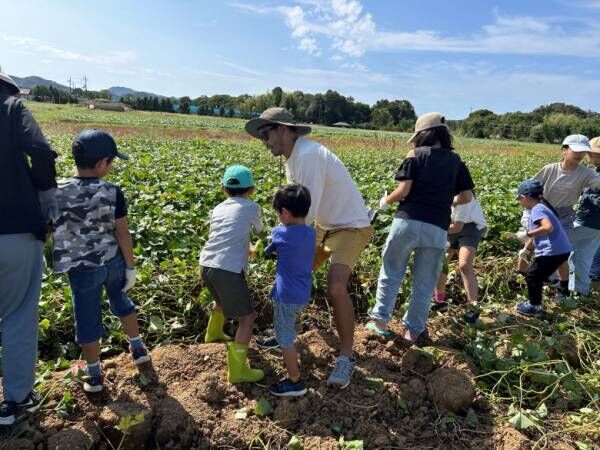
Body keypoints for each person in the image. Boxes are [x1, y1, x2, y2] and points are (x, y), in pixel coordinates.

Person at [245, 108, 373, 389]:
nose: (264, 141)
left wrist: (279, 242)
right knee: (295, 275)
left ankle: (347, 357)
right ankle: (289, 327)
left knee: (336, 286)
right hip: (322, 226)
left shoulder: (308, 156)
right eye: (261, 137)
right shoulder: (295, 157)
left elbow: (307, 214)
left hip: (348, 226)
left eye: (266, 134)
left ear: (283, 129)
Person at [53, 129, 150, 393]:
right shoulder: (112, 191)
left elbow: (48, 227)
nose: (110, 166)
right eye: (111, 162)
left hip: (82, 269)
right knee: (122, 301)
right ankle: (138, 347)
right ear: (100, 164)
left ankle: (95, 374)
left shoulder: (56, 191)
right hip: (113, 262)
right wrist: (130, 267)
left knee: (86, 317)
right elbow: (122, 232)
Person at [367, 112, 474, 343]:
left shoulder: (415, 154)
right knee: (425, 281)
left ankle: (380, 323)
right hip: (437, 227)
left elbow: (404, 191)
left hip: (408, 220)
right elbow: (466, 197)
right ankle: (413, 331)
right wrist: (447, 200)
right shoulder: (456, 161)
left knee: (392, 271)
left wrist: (385, 201)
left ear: (423, 134)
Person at [0, 72, 57, 425]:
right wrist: (44, 198)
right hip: (15, 228)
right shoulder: (11, 107)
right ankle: (17, 402)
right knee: (18, 314)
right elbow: (39, 150)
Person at [199, 165, 264, 384]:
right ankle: (237, 372)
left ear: (223, 189)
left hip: (206, 264)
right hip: (227, 269)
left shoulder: (217, 209)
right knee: (247, 318)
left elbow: (226, 235)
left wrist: (247, 248)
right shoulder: (252, 207)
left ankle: (213, 334)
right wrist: (256, 247)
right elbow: (259, 231)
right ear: (252, 189)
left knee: (220, 300)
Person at [518, 134, 600, 297]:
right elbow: (529, 188)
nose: (580, 155)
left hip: (565, 215)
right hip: (542, 210)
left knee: (561, 251)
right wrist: (528, 211)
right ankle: (520, 276)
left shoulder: (586, 173)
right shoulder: (550, 169)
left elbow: (597, 182)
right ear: (564, 150)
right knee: (533, 244)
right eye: (575, 150)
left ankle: (560, 286)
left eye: (583, 151)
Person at [264, 184, 316, 397]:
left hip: (286, 296)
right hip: (303, 293)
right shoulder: (312, 233)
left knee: (287, 339)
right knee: (286, 322)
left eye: (278, 213)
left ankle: (295, 381)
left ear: (285, 213)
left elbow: (268, 251)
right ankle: (279, 337)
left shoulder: (279, 233)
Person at [514, 179, 572, 317]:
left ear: (526, 197)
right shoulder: (544, 206)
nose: (520, 202)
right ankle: (563, 293)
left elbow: (547, 228)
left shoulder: (537, 209)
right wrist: (526, 250)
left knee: (533, 276)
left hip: (553, 251)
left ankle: (534, 306)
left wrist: (527, 233)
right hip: (563, 249)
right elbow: (541, 234)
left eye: (520, 199)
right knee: (539, 274)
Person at [433, 192, 487, 310]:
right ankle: (439, 301)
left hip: (470, 227)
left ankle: (472, 306)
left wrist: (434, 229)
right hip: (450, 226)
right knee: (442, 263)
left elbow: (457, 227)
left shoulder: (465, 196)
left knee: (464, 265)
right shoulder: (444, 191)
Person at [569, 136, 600, 296]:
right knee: (583, 256)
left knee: (556, 244)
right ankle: (580, 290)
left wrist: (585, 197)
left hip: (588, 221)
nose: (591, 157)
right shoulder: (595, 173)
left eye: (594, 154)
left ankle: (550, 280)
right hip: (595, 225)